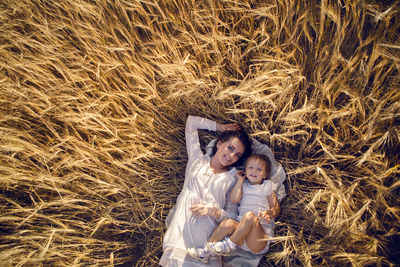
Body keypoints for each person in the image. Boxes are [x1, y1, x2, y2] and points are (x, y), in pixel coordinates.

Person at [159, 115, 252, 266]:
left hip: (206, 249)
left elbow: (233, 218)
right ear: (219, 143)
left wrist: (214, 211)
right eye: (230, 148)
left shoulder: (234, 178)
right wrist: (221, 127)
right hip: (179, 241)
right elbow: (191, 123)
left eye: (237, 155)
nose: (231, 156)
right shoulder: (197, 160)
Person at [187, 154, 280, 263]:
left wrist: (269, 213)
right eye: (251, 168)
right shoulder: (243, 185)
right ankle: (206, 251)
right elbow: (234, 199)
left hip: (258, 239)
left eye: (259, 169)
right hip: (241, 235)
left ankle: (228, 245)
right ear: (245, 170)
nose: (254, 171)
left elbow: (276, 208)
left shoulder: (267, 186)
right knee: (227, 223)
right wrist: (240, 181)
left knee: (249, 216)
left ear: (265, 174)